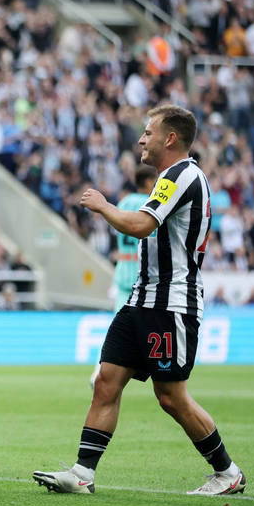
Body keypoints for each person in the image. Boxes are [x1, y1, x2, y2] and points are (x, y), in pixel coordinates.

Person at [33, 105, 245, 496]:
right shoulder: (171, 177)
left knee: (170, 396)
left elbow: (141, 224)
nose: (141, 139)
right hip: (140, 301)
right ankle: (83, 473)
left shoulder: (182, 175)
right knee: (106, 382)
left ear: (170, 138)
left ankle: (227, 472)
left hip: (170, 304)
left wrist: (103, 206)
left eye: (148, 132)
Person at [89, 165, 158, 390]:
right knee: (150, 327)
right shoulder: (150, 205)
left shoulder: (123, 203)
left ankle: (100, 370)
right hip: (143, 275)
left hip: (122, 273)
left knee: (117, 328)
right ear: (148, 182)